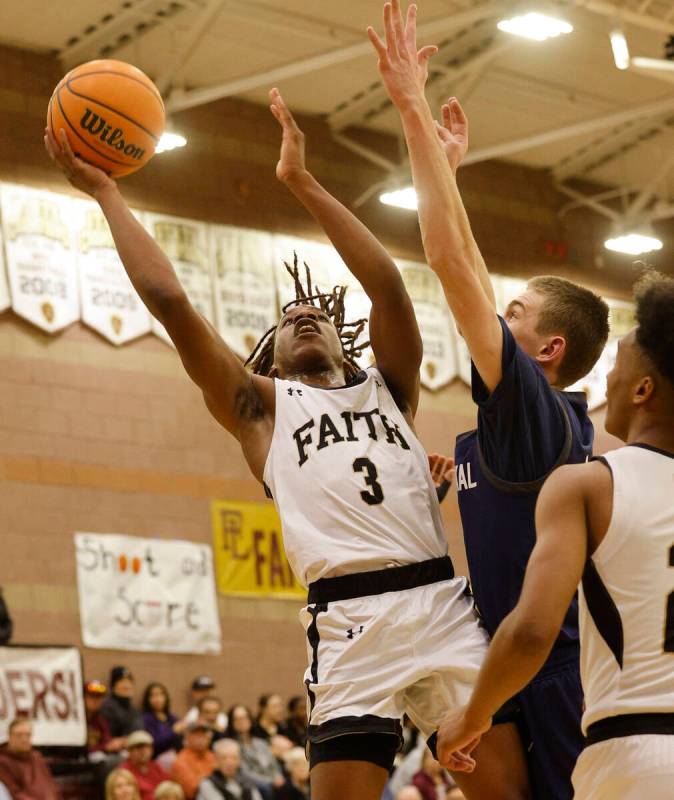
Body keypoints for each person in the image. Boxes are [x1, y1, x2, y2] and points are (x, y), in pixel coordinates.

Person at [44, 86, 528, 800]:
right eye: (289, 318)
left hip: (437, 603)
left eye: (316, 315)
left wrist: (300, 181)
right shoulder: (261, 410)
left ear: (343, 337)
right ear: (266, 360)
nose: (305, 316)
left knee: (510, 794)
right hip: (347, 624)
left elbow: (389, 285)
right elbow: (173, 304)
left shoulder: (388, 388)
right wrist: (108, 194)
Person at [368, 3, 609, 797]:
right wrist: (449, 172)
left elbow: (449, 262)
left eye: (516, 318)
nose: (496, 323)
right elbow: (465, 257)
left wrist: (408, 107)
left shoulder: (531, 415)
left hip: (554, 672)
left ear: (549, 351)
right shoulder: (533, 418)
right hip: (509, 656)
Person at [436, 271, 674, 797]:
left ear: (642, 388)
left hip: (623, 736)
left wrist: (474, 713)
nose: (605, 378)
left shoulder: (594, 483)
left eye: (620, 363)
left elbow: (530, 633)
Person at [225, 705, 284, 800]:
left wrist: (278, 776)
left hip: (270, 779)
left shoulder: (261, 742)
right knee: (265, 788)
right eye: (237, 719)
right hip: (250, 782)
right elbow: (244, 772)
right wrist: (271, 781)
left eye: (245, 717)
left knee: (287, 785)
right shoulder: (232, 746)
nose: (242, 721)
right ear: (232, 723)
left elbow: (274, 764)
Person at [0, 717, 61, 799]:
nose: (24, 739)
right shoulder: (3, 761)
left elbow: (51, 787)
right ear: (10, 736)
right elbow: (14, 793)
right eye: (19, 735)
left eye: (27, 735)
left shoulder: (37, 758)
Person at [197, 739, 263, 800]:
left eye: (234, 758)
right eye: (224, 758)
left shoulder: (247, 781)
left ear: (239, 760)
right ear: (216, 761)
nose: (229, 763)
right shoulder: (207, 784)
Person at [171, 722, 217, 800]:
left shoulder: (212, 756)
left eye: (204, 735)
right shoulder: (181, 761)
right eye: (197, 735)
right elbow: (192, 791)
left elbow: (224, 779)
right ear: (187, 738)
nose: (201, 738)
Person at [122, 730, 171, 800]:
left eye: (146, 747)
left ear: (151, 749)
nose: (142, 751)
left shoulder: (155, 766)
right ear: (129, 751)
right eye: (138, 747)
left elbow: (169, 785)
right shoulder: (124, 772)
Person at [142, 682, 186, 758]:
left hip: (179, 753)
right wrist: (173, 732)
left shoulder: (173, 717)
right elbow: (153, 743)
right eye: (153, 696)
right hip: (158, 756)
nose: (158, 699)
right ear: (148, 699)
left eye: (160, 695)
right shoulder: (146, 718)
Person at [101, 666, 143, 740]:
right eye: (122, 681)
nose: (126, 685)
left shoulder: (133, 709)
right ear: (113, 686)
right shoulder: (107, 707)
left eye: (129, 681)